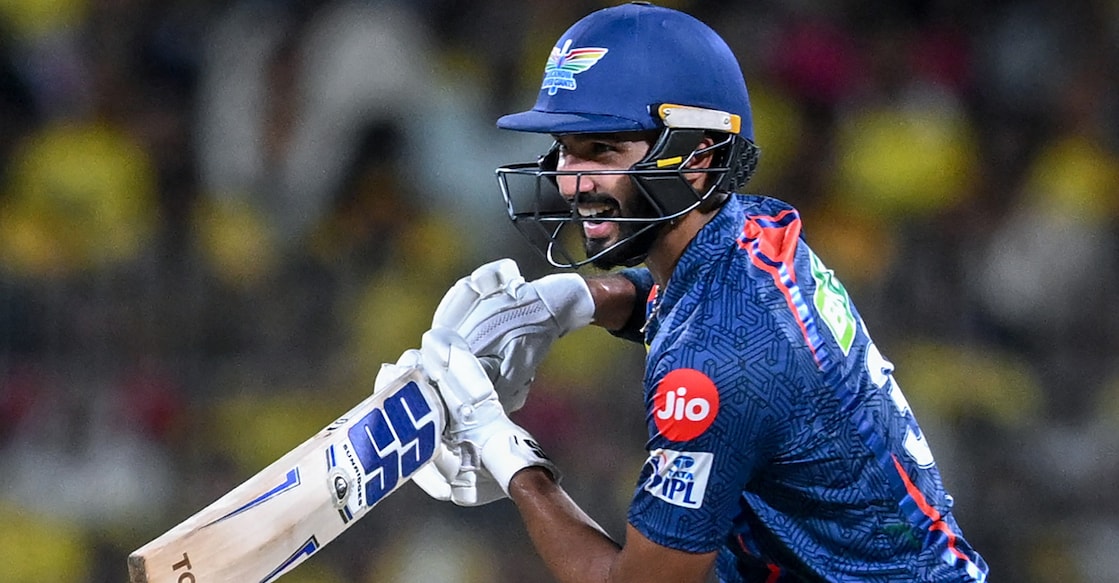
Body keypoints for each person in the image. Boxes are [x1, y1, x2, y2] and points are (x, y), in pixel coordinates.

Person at [406, 3, 990, 581]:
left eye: (602, 150)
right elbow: (691, 300)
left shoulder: (714, 364)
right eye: (565, 145)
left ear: (697, 157)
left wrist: (508, 456)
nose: (568, 179)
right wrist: (577, 301)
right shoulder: (754, 231)